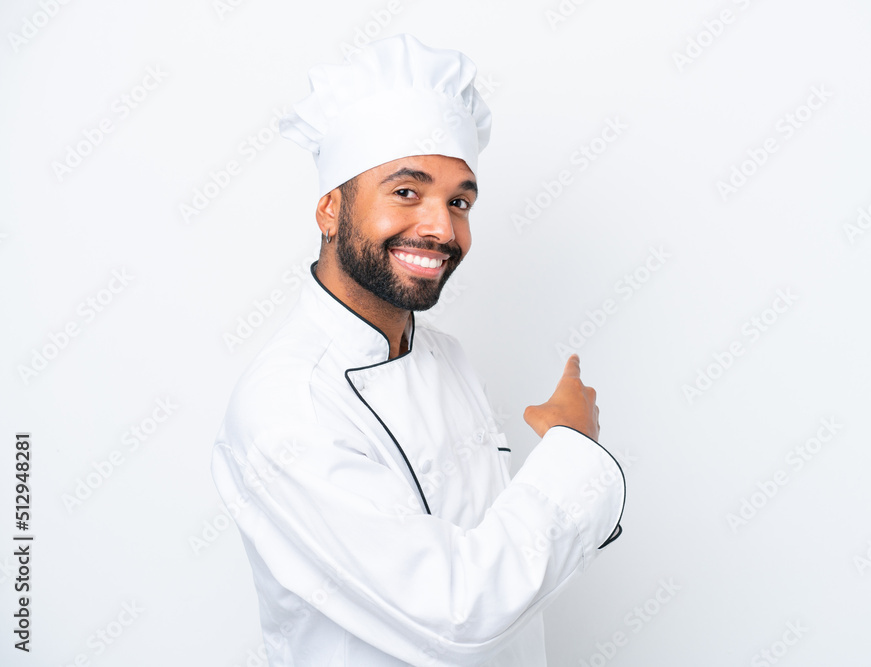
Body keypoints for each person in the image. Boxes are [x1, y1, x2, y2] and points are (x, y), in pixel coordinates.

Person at [210, 33, 626, 667]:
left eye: (459, 201)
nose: (441, 227)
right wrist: (572, 448)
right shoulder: (289, 410)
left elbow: (493, 557)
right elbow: (461, 615)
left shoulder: (446, 357)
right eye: (406, 192)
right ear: (329, 208)